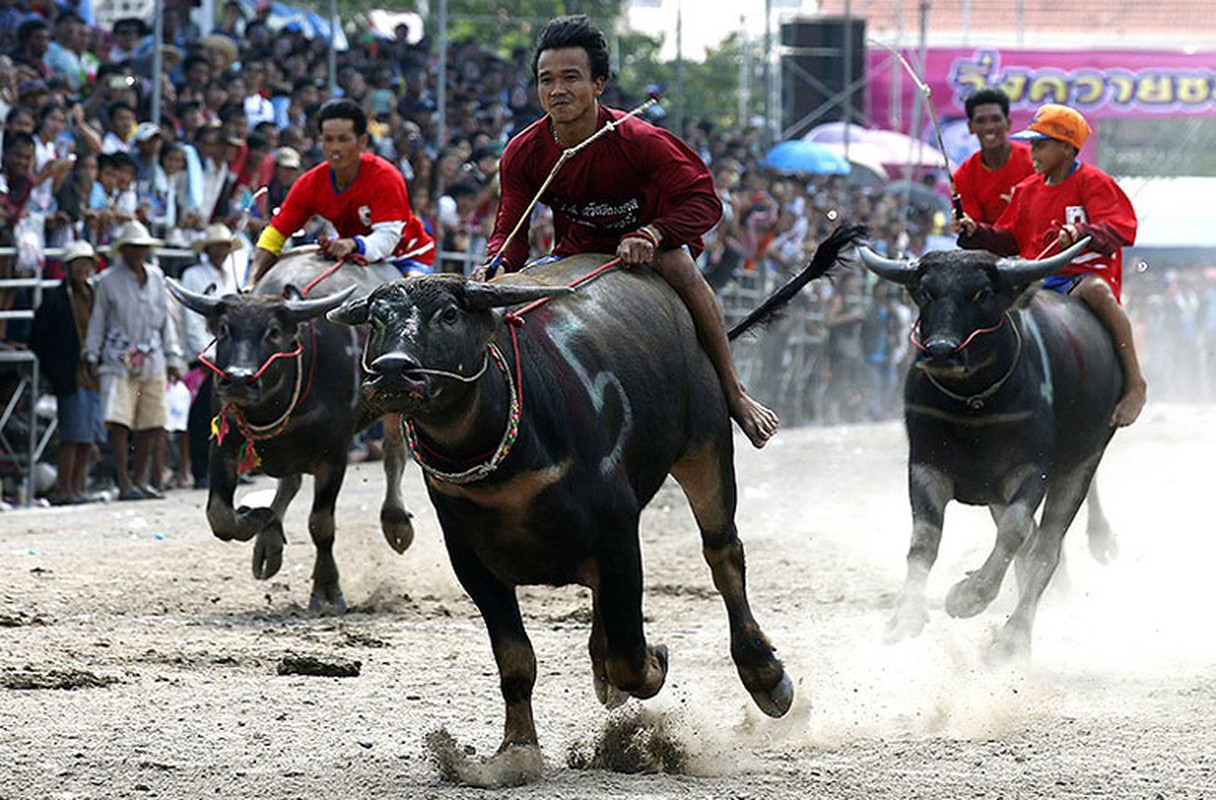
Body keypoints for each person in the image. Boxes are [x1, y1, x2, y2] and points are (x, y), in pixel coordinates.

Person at [478, 15, 778, 448]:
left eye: (571, 78)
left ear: (599, 83)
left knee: (681, 266)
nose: (557, 90)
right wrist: (497, 264)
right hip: (573, 255)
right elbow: (510, 229)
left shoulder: (640, 140)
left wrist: (655, 234)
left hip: (651, 251)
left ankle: (734, 392)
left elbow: (705, 202)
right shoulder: (523, 151)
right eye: (546, 80)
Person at [956, 103, 1146, 427]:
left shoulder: (1094, 182)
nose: (1033, 151)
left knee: (1099, 292)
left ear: (1067, 147)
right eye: (1031, 143)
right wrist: (976, 233)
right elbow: (1009, 239)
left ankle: (1134, 383)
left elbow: (1122, 227)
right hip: (1036, 278)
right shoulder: (1027, 189)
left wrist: (1081, 232)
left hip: (1079, 278)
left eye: (1041, 144)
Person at [247, 98, 435, 284]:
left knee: (417, 299)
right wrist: (252, 280)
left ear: (362, 141)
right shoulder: (310, 182)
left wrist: (353, 244)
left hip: (404, 255)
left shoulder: (385, 177)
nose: (335, 148)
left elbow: (387, 239)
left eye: (343, 139)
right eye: (328, 140)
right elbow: (276, 232)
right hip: (350, 251)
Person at [83, 220, 184, 500]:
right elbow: (99, 320)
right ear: (123, 250)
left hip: (152, 358)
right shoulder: (108, 281)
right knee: (119, 422)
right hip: (118, 358)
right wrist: (91, 353)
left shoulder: (156, 278)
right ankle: (124, 481)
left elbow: (166, 321)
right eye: (133, 248)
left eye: (141, 248)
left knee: (152, 422)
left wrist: (173, 355)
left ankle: (140, 480)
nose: (137, 253)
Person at [30, 240, 105, 504]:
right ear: (69, 268)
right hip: (70, 374)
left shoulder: (94, 295)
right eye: (78, 264)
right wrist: (55, 370)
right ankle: (65, 489)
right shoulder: (56, 300)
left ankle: (77, 488)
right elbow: (38, 339)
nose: (83, 269)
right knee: (72, 435)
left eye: (86, 264)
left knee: (87, 436)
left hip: (92, 373)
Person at [179, 223, 241, 489]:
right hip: (207, 357)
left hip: (231, 356)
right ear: (208, 249)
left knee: (233, 415)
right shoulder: (193, 275)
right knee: (203, 416)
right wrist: (207, 357)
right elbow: (191, 319)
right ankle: (201, 470)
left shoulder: (233, 275)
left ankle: (230, 468)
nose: (221, 251)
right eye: (216, 246)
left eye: (225, 246)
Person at [952, 87, 1034, 227]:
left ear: (1008, 123)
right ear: (971, 127)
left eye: (996, 119)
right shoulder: (963, 176)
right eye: (981, 121)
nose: (989, 127)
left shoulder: (1035, 162)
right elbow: (972, 230)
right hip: (987, 247)